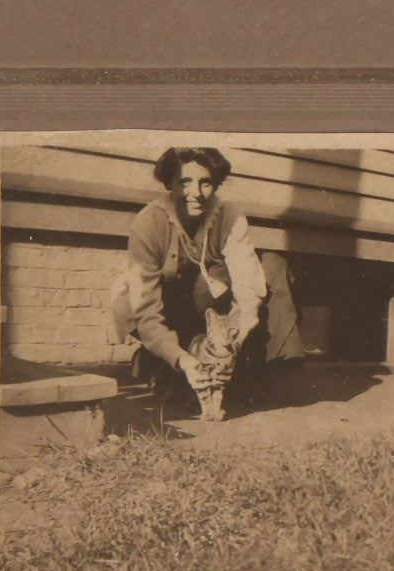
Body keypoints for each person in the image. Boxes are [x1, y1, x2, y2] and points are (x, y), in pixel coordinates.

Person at [112, 146, 304, 404]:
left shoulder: (229, 216)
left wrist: (236, 341)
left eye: (206, 183)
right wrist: (184, 361)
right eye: (185, 182)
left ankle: (251, 372)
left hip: (207, 303)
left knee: (271, 265)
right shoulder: (149, 223)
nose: (196, 194)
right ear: (169, 183)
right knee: (143, 305)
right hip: (158, 305)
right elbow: (146, 311)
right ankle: (161, 361)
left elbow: (248, 285)